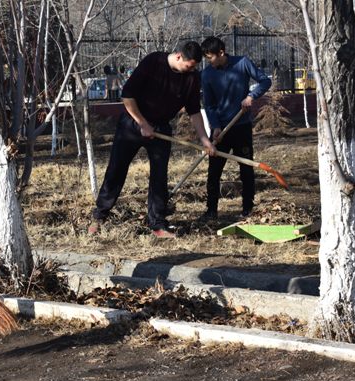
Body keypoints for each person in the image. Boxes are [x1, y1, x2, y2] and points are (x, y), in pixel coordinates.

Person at [89, 41, 214, 238]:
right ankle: (99, 215)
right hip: (132, 124)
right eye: (190, 65)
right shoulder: (153, 62)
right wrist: (143, 124)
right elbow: (127, 96)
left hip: (161, 129)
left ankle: (157, 223)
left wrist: (204, 139)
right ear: (179, 56)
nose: (192, 69)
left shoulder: (191, 77)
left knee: (159, 177)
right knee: (116, 169)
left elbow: (194, 111)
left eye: (195, 67)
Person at [200, 36, 271, 219]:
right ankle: (211, 210)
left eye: (210, 57)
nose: (208, 61)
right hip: (220, 130)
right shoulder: (207, 74)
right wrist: (215, 126)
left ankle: (248, 209)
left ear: (221, 53)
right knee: (214, 171)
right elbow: (209, 105)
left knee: (246, 169)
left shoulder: (242, 63)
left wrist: (251, 96)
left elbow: (265, 81)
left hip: (241, 127)